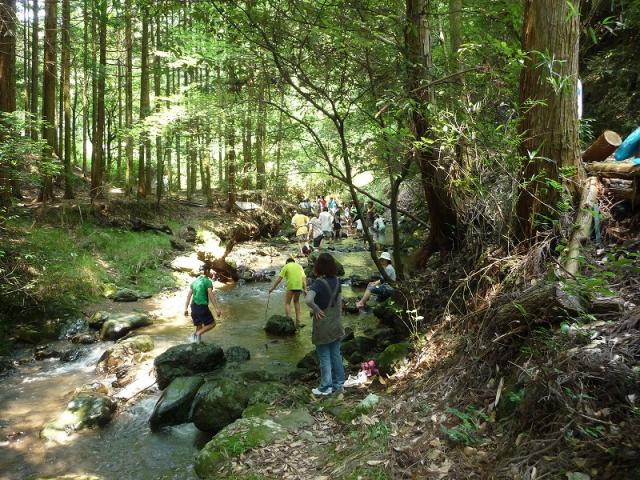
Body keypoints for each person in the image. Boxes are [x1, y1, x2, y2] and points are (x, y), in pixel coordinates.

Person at [304, 253, 345, 395]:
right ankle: (339, 384)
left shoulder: (318, 283)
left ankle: (325, 387)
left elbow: (308, 300)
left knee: (324, 356)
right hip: (336, 323)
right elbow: (339, 304)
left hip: (322, 325)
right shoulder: (338, 281)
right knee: (336, 354)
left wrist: (316, 309)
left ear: (319, 266)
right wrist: (338, 320)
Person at [184, 265, 222, 343]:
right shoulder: (207, 281)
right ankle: (198, 334)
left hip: (193, 306)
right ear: (207, 271)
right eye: (209, 271)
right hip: (201, 306)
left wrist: (185, 308)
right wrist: (216, 308)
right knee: (212, 324)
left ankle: (195, 342)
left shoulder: (194, 282)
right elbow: (211, 295)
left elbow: (189, 296)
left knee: (199, 326)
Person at [269, 258, 308, 328]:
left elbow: (279, 279)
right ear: (293, 262)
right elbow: (304, 278)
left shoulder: (286, 266)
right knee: (296, 302)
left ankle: (288, 320)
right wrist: (305, 289)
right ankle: (298, 322)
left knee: (287, 303)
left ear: (287, 262)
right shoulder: (299, 266)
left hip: (291, 286)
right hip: (299, 286)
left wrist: (272, 288)